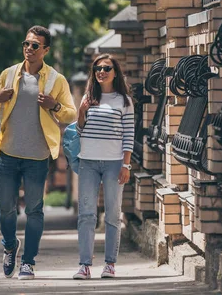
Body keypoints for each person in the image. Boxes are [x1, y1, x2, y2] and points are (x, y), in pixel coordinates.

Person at [0, 25, 77, 280]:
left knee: (34, 210)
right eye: (26, 44)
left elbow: (70, 113)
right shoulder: (8, 74)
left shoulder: (55, 80)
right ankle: (9, 245)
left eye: (35, 45)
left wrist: (55, 105)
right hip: (8, 152)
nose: (29, 48)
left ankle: (28, 262)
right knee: (6, 207)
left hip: (37, 156)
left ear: (45, 50)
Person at [73, 54, 134, 280]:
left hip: (114, 163)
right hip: (88, 161)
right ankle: (84, 265)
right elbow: (79, 132)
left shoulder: (124, 101)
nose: (101, 72)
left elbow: (129, 135)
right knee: (86, 215)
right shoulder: (89, 98)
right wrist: (81, 112)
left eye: (106, 68)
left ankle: (110, 264)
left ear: (115, 72)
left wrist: (126, 164)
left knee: (112, 215)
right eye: (98, 68)